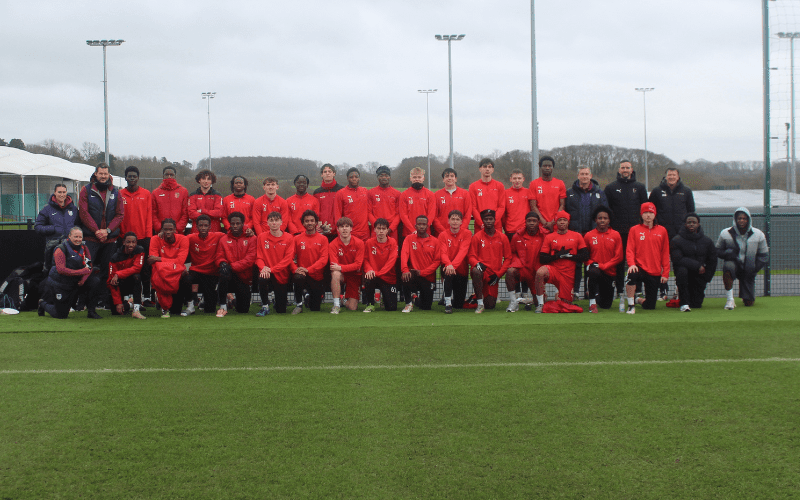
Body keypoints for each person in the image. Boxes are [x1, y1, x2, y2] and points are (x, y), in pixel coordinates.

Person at [604, 159, 648, 310]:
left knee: (637, 261)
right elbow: (606, 210)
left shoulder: (640, 187)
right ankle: (620, 290)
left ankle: (638, 290)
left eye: (627, 167)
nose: (625, 170)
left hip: (636, 232)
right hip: (618, 232)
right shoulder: (610, 188)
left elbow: (645, 209)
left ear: (632, 169)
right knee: (619, 262)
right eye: (622, 167)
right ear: (619, 169)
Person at [78, 163, 124, 302]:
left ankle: (104, 300)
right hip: (91, 238)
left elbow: (120, 214)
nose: (103, 176)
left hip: (109, 239)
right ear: (95, 174)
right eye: (101, 173)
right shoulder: (86, 190)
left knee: (107, 270)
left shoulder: (116, 191)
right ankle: (83, 300)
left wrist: (108, 231)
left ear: (108, 175)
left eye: (105, 174)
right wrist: (97, 231)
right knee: (86, 269)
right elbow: (84, 213)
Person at [649, 167, 695, 300]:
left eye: (674, 175)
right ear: (666, 176)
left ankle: (678, 291)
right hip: (661, 234)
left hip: (681, 236)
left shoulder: (686, 191)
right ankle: (663, 292)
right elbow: (650, 210)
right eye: (669, 175)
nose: (672, 177)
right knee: (661, 264)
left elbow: (691, 212)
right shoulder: (657, 191)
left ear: (678, 177)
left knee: (679, 263)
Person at [38, 227, 103, 319]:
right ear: (69, 236)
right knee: (61, 315)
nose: (78, 239)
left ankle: (91, 311)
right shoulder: (60, 249)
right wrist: (81, 272)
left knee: (95, 281)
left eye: (80, 237)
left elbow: (89, 266)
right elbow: (61, 270)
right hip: (61, 283)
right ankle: (42, 303)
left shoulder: (84, 248)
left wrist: (83, 279)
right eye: (75, 236)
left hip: (77, 280)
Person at [565, 166, 608, 299]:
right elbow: (565, 213)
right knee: (576, 263)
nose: (584, 176)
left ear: (591, 175)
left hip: (593, 234)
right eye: (582, 174)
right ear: (578, 176)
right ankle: (576, 291)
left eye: (586, 174)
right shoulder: (569, 193)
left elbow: (605, 212)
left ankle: (591, 291)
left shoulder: (599, 193)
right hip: (576, 233)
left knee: (592, 263)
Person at [716, 207, 769, 310]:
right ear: (735, 219)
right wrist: (727, 253)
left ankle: (746, 296)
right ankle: (730, 300)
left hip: (749, 269)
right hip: (734, 265)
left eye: (744, 218)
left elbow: (764, 255)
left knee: (749, 303)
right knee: (728, 267)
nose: (741, 220)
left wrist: (754, 268)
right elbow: (717, 251)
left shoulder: (758, 234)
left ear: (749, 219)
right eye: (739, 218)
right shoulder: (725, 233)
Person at [535, 211, 588, 313]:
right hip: (554, 270)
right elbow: (542, 258)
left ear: (568, 222)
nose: (562, 222)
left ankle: (557, 299)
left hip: (568, 275)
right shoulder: (550, 237)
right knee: (540, 272)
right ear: (556, 222)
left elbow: (585, 256)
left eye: (564, 220)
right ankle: (540, 304)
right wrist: (557, 256)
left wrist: (570, 256)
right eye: (559, 220)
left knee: (565, 304)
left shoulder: (577, 236)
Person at [624, 202, 670, 314]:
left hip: (654, 271)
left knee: (650, 306)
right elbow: (630, 250)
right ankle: (631, 305)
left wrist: (665, 273)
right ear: (641, 214)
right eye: (645, 212)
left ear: (655, 214)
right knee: (632, 274)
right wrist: (632, 264)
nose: (648, 215)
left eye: (650, 212)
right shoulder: (634, 230)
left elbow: (665, 253)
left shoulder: (662, 231)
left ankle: (638, 300)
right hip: (640, 268)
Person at [119, 166, 154, 304]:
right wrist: (121, 236)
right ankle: (127, 296)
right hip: (125, 238)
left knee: (145, 268)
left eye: (134, 176)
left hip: (142, 237)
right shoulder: (120, 194)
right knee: (126, 267)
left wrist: (148, 236)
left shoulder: (146, 194)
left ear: (138, 178)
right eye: (129, 176)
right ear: (126, 178)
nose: (132, 178)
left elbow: (149, 215)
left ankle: (146, 296)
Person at [670, 213, 717, 312]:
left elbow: (712, 260)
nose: (691, 224)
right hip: (684, 274)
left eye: (694, 222)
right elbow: (677, 259)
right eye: (689, 222)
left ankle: (692, 299)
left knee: (696, 304)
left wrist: (707, 277)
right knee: (682, 270)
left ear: (698, 224)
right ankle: (684, 303)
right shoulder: (676, 240)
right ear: (685, 224)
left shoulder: (707, 241)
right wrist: (697, 266)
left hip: (699, 275)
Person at [469, 209, 512, 313]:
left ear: (495, 220)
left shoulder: (502, 237)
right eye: (486, 219)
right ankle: (479, 303)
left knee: (490, 305)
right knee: (475, 271)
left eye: (490, 219)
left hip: (494, 274)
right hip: (482, 272)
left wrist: (499, 275)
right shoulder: (477, 237)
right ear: (482, 221)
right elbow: (471, 256)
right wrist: (477, 263)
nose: (488, 221)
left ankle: (477, 296)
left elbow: (508, 258)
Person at [216, 211, 257, 317]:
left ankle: (231, 300)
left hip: (243, 276)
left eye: (238, 223)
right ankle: (223, 306)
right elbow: (219, 256)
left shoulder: (252, 238)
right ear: (229, 224)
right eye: (232, 223)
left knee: (243, 310)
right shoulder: (223, 239)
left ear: (243, 223)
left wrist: (231, 266)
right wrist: (222, 263)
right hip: (229, 275)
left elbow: (250, 260)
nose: (235, 226)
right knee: (223, 271)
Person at [255, 211, 295, 316]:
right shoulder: (261, 237)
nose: (274, 223)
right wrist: (263, 268)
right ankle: (265, 305)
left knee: (281, 310)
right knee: (262, 277)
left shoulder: (289, 238)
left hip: (281, 275)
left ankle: (276, 299)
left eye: (276, 220)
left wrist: (271, 269)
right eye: (271, 220)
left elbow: (287, 259)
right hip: (267, 272)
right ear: (267, 222)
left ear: (281, 222)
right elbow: (259, 257)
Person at [583, 206, 623, 313]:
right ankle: (592, 303)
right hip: (595, 270)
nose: (602, 220)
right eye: (599, 218)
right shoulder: (588, 235)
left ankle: (595, 294)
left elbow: (619, 256)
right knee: (593, 271)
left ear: (609, 220)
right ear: (595, 220)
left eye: (605, 218)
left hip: (609, 272)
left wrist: (604, 266)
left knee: (606, 305)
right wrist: (593, 263)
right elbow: (585, 256)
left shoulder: (616, 235)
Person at [148, 218, 190, 318]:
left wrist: (159, 259)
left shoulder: (183, 239)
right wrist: (171, 265)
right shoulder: (155, 239)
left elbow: (180, 261)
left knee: (175, 311)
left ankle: (188, 302)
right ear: (161, 230)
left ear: (175, 229)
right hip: (161, 274)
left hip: (177, 274)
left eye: (170, 229)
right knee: (157, 273)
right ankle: (161, 301)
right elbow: (152, 262)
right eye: (165, 229)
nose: (168, 232)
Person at [183, 214, 224, 316]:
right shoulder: (190, 238)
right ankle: (191, 305)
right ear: (196, 227)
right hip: (196, 270)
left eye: (205, 225)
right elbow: (178, 239)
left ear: (210, 227)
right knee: (187, 279)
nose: (203, 228)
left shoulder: (218, 236)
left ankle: (204, 300)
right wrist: (161, 234)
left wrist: (247, 230)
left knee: (210, 310)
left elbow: (232, 233)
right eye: (200, 226)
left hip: (211, 272)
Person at [505, 211, 546, 312]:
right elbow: (513, 253)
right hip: (523, 269)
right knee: (510, 272)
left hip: (537, 272)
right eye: (529, 221)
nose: (531, 223)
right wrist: (518, 264)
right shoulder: (517, 236)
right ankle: (514, 301)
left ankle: (535, 300)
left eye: (534, 221)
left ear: (538, 222)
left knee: (540, 303)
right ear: (525, 222)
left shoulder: (545, 235)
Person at [291, 210, 329, 314]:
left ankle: (307, 295)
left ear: (316, 223)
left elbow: (323, 259)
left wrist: (308, 269)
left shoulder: (323, 239)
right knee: (297, 277)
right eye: (307, 221)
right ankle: (298, 304)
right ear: (303, 223)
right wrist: (296, 269)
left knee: (315, 308)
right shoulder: (297, 238)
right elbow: (289, 258)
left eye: (312, 220)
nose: (309, 223)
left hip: (316, 276)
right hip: (302, 274)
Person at [400, 215, 441, 312]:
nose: (421, 226)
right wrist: (405, 270)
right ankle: (408, 303)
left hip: (427, 277)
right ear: (415, 226)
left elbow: (437, 261)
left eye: (424, 224)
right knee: (406, 275)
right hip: (413, 274)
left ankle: (415, 298)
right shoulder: (409, 239)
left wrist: (422, 272)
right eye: (419, 224)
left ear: (428, 226)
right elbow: (404, 255)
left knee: (426, 307)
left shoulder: (435, 241)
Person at [35, 183, 78, 271]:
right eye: (59, 192)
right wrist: (53, 228)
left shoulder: (73, 209)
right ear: (54, 193)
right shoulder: (47, 209)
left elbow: (78, 225)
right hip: (53, 248)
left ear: (66, 193)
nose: (62, 195)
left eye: (64, 192)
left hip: (71, 247)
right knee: (53, 272)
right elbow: (38, 227)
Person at [107, 232, 147, 319]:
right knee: (116, 311)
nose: (131, 244)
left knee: (137, 276)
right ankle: (130, 303)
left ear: (136, 243)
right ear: (124, 242)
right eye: (128, 242)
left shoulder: (140, 250)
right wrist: (118, 303)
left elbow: (137, 268)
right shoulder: (115, 257)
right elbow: (111, 281)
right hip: (121, 285)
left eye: (133, 242)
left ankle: (136, 310)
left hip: (133, 282)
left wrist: (118, 274)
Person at [328, 217, 365, 314]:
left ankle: (343, 300)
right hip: (342, 275)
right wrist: (340, 268)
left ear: (351, 228)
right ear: (338, 229)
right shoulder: (333, 244)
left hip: (354, 276)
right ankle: (336, 305)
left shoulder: (359, 243)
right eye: (342, 227)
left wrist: (341, 267)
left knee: (352, 307)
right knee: (335, 273)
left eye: (347, 226)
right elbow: (333, 266)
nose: (344, 229)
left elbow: (358, 265)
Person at [439, 210, 472, 313]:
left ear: (461, 222)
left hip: (461, 270)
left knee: (459, 305)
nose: (455, 222)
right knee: (447, 271)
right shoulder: (443, 235)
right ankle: (448, 303)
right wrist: (449, 265)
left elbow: (463, 251)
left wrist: (452, 265)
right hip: (448, 269)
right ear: (448, 221)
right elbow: (443, 253)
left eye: (457, 219)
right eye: (452, 219)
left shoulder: (467, 233)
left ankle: (453, 299)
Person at [363, 218, 399, 312]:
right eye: (378, 228)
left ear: (387, 230)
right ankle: (370, 304)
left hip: (388, 277)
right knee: (368, 276)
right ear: (374, 229)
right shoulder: (369, 242)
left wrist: (377, 273)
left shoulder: (393, 242)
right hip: (373, 275)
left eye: (383, 228)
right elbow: (365, 259)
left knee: (392, 308)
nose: (381, 231)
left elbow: (391, 262)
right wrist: (370, 270)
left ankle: (384, 298)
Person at [529, 156, 566, 232]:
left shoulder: (560, 183)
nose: (547, 168)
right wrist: (543, 222)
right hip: (540, 225)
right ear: (540, 167)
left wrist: (553, 221)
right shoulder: (534, 184)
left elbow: (562, 205)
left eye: (549, 166)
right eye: (545, 166)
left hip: (556, 224)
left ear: (553, 167)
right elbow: (533, 205)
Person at [469, 158, 506, 232]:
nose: (487, 169)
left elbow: (501, 206)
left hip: (496, 226)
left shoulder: (499, 186)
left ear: (493, 169)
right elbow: (473, 207)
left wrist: (493, 222)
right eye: (485, 167)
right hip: (480, 226)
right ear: (480, 169)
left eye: (490, 167)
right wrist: (481, 223)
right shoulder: (473, 186)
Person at [433, 168, 472, 236]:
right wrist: (443, 232)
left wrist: (461, 230)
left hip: (460, 234)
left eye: (452, 176)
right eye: (447, 176)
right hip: (442, 234)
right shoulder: (436, 195)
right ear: (443, 179)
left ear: (456, 179)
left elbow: (468, 214)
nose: (449, 178)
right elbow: (434, 216)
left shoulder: (465, 194)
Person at [400, 167, 436, 239]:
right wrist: (413, 230)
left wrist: (423, 228)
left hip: (425, 232)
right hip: (408, 233)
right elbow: (403, 214)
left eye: (419, 177)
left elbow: (431, 214)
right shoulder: (404, 194)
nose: (417, 179)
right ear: (410, 178)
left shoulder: (430, 194)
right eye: (414, 177)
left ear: (423, 178)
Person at [335, 167, 370, 240]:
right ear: (347, 178)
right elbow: (337, 215)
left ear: (359, 178)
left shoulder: (365, 191)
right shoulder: (340, 193)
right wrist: (340, 233)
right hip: (349, 233)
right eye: (351, 177)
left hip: (365, 233)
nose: (354, 179)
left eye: (356, 177)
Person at [151, 165, 189, 234]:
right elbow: (153, 213)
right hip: (161, 233)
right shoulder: (155, 192)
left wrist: (177, 228)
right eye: (167, 175)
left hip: (177, 232)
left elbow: (185, 213)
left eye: (171, 175)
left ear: (175, 176)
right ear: (163, 176)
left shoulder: (183, 191)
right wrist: (159, 228)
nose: (169, 177)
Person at [368, 166, 401, 239]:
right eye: (381, 176)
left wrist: (391, 228)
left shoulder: (397, 193)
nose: (384, 177)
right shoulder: (371, 193)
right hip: (376, 229)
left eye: (386, 175)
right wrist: (377, 227)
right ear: (378, 177)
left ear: (390, 177)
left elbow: (399, 214)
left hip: (391, 230)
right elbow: (369, 212)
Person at [313, 163, 344, 241]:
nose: (327, 173)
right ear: (321, 175)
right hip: (322, 231)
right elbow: (315, 212)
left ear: (334, 173)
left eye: (330, 171)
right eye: (325, 172)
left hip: (339, 231)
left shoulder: (341, 190)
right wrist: (317, 226)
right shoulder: (317, 192)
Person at [502, 169, 532, 239]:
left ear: (523, 179)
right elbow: (503, 214)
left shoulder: (529, 192)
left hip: (525, 230)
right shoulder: (505, 193)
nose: (517, 181)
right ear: (510, 179)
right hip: (511, 230)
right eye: (514, 178)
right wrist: (505, 228)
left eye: (519, 178)